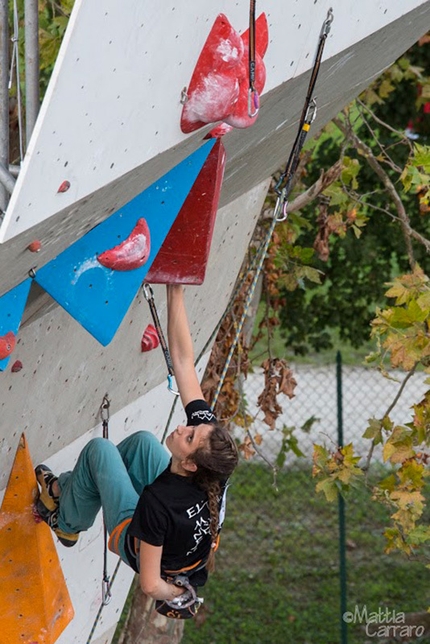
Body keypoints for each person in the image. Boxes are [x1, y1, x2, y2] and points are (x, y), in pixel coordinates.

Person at [34, 284, 238, 619]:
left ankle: (66, 521)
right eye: (194, 428)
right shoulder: (214, 456)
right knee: (143, 442)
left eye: (187, 437)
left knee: (99, 451)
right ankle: (63, 489)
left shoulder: (159, 503)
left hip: (134, 540)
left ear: (188, 463)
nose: (183, 428)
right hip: (174, 530)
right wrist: (176, 292)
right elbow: (185, 364)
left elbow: (150, 584)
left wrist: (182, 593)